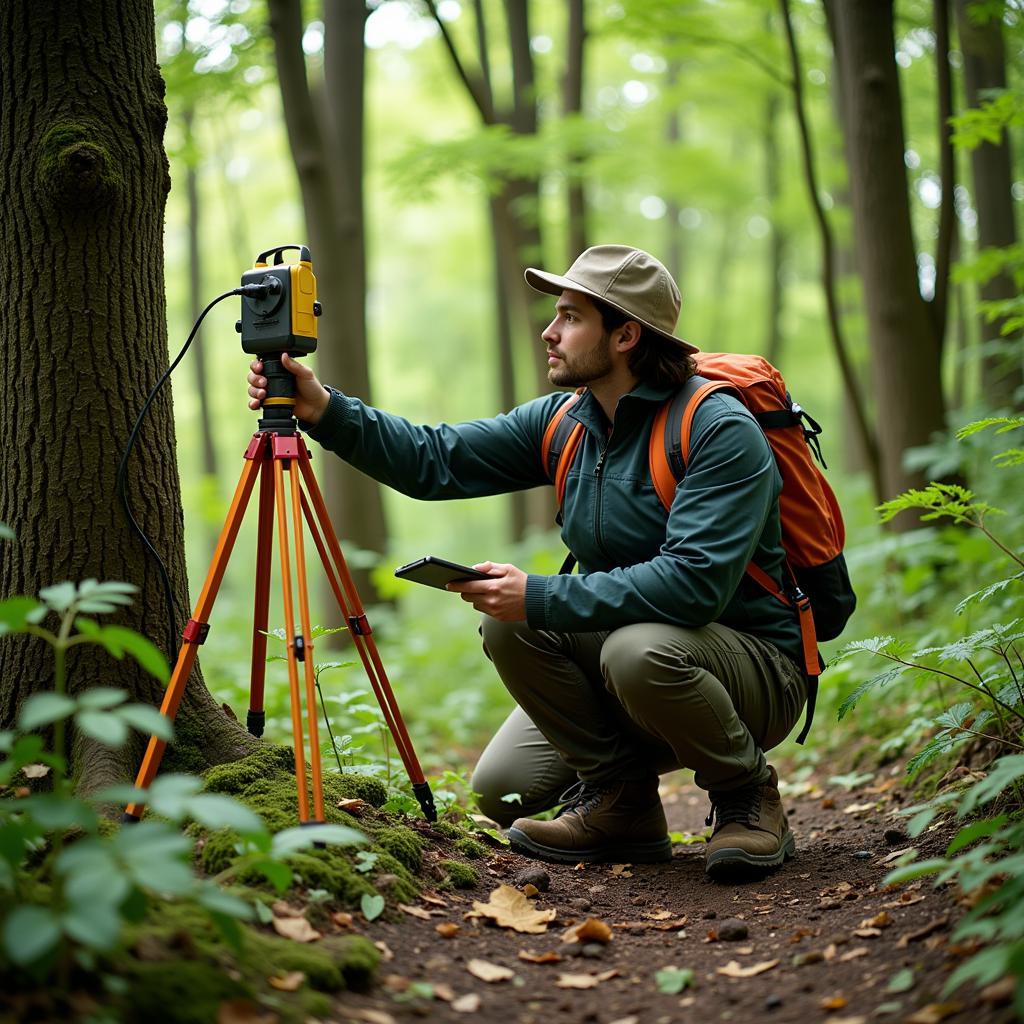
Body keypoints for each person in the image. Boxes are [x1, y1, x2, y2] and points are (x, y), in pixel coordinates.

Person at [246, 245, 809, 877]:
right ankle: (621, 804)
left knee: (633, 650)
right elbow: (439, 459)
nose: (549, 330)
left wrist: (540, 595)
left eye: (570, 317)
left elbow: (694, 585)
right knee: (504, 780)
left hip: (753, 669)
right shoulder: (568, 419)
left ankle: (746, 795)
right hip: (643, 655)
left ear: (625, 335)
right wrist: (325, 409)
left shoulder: (715, 428)